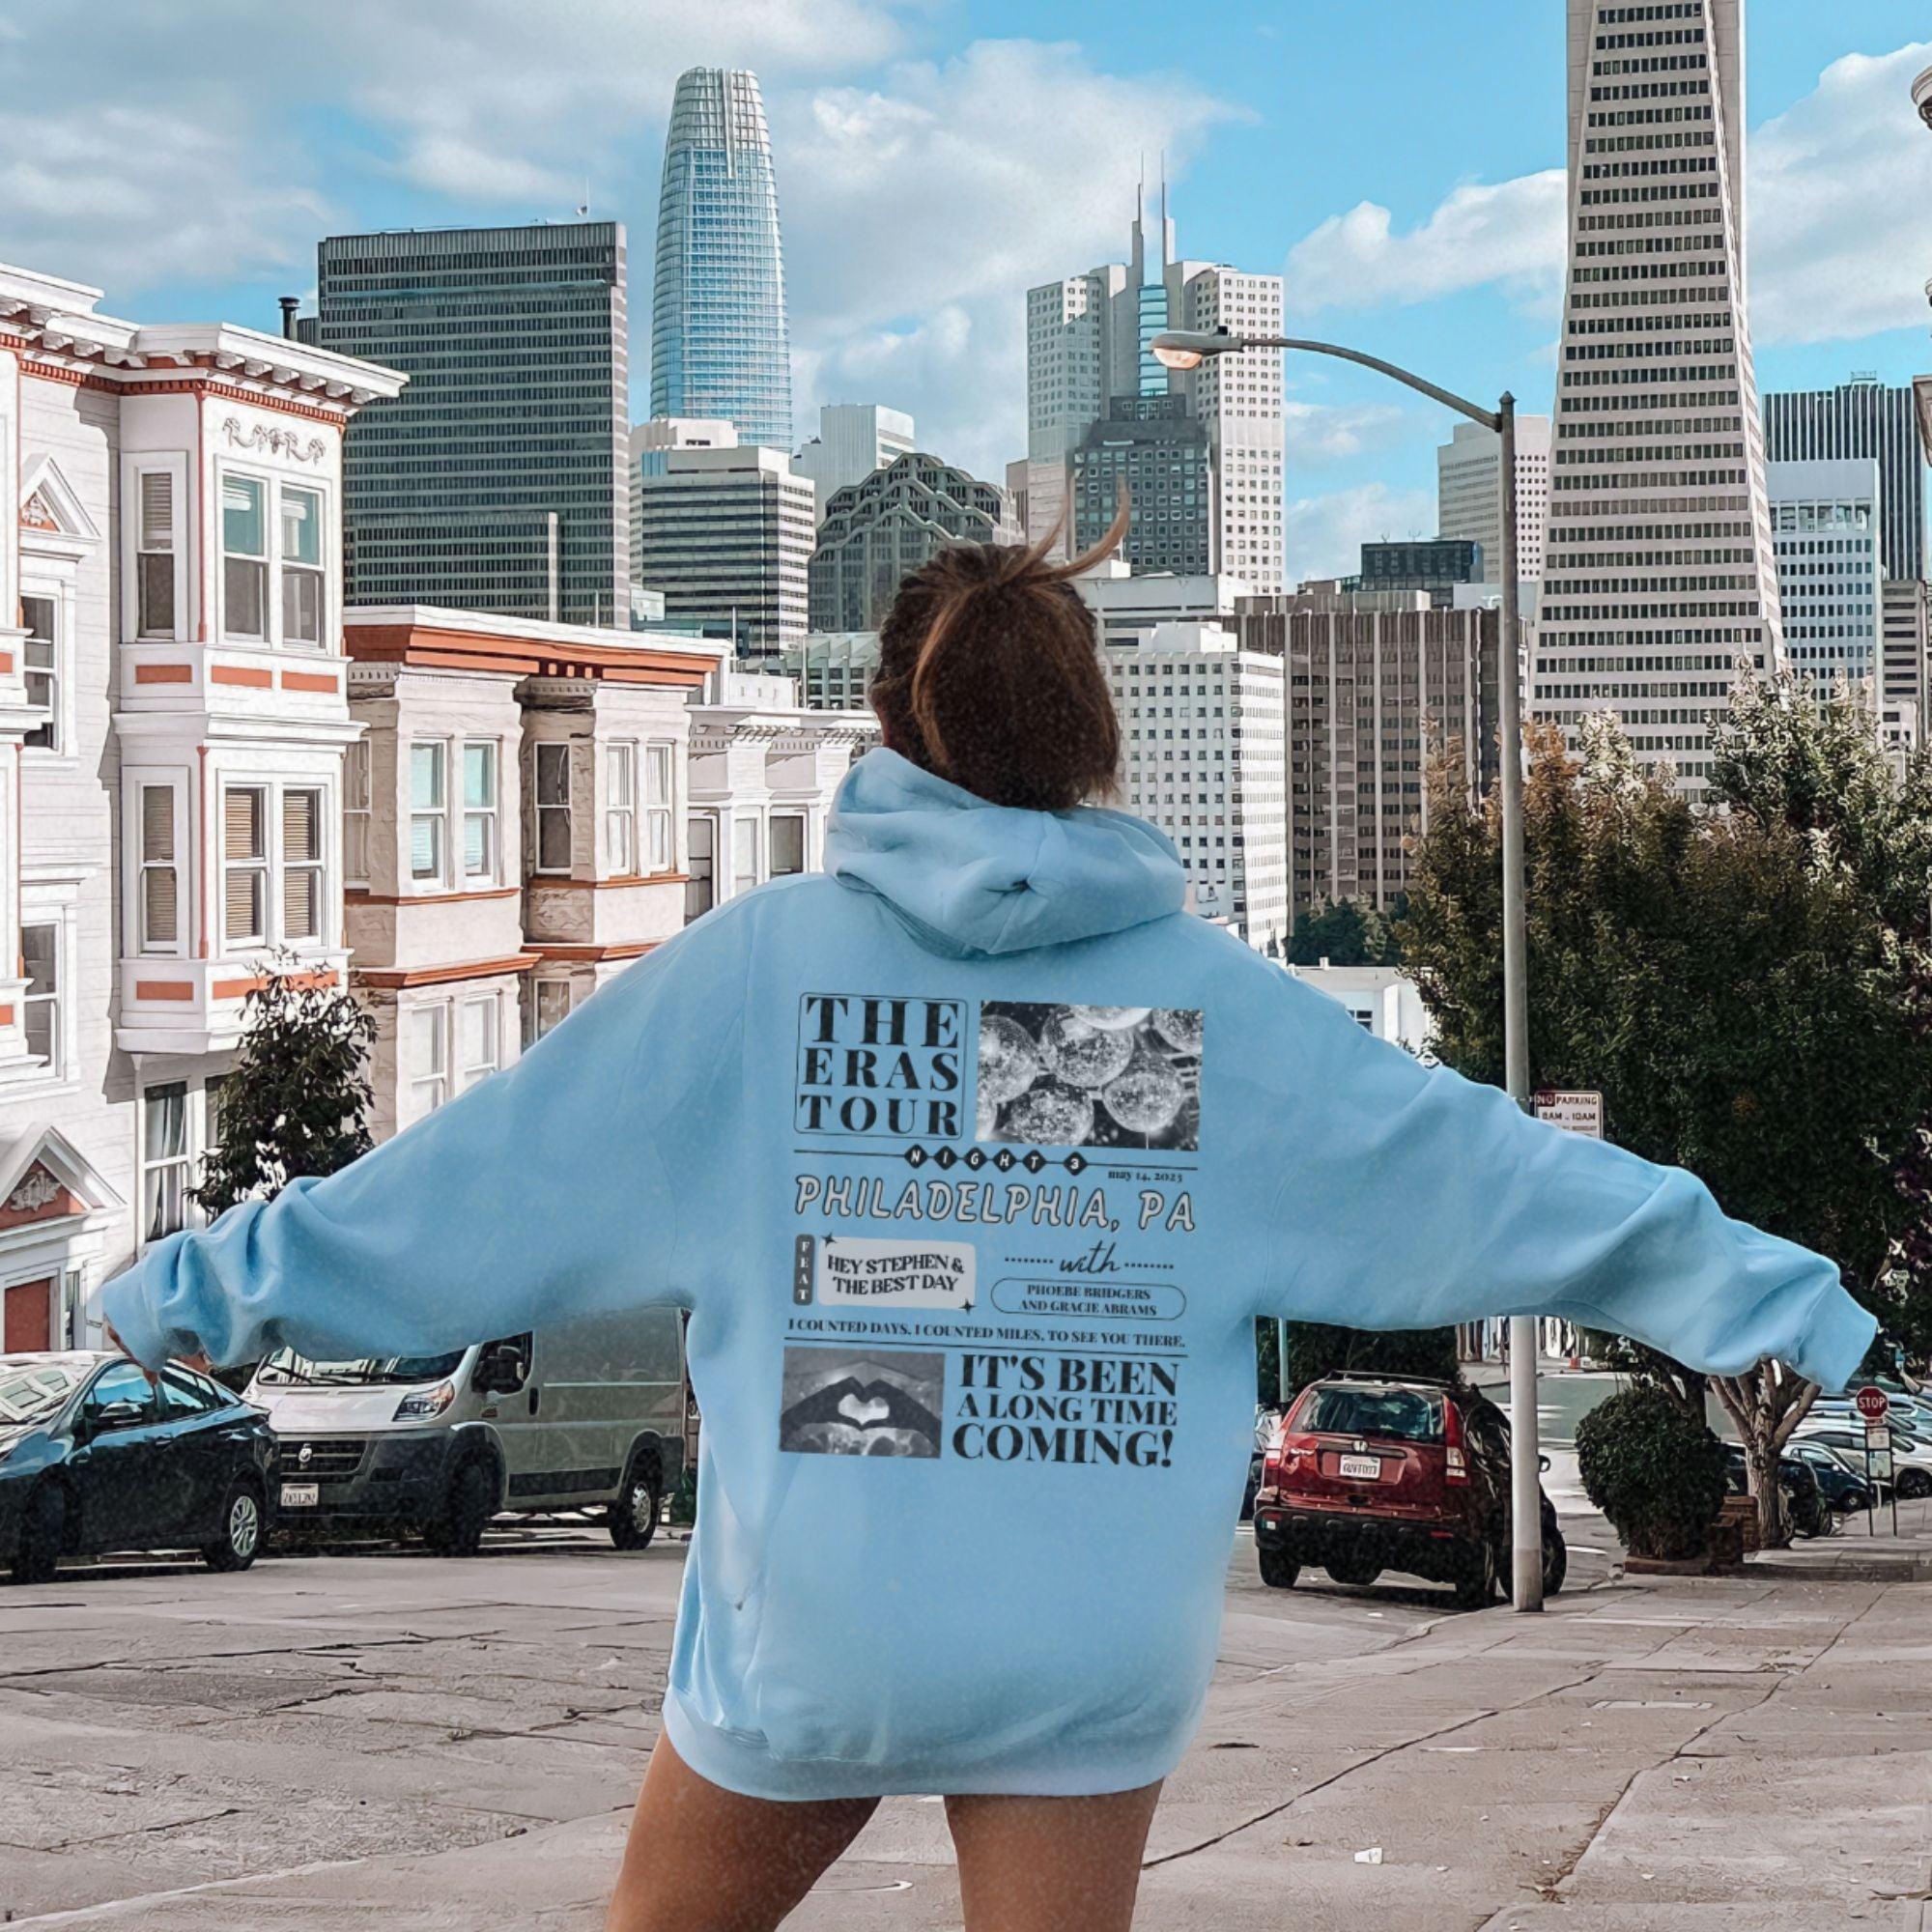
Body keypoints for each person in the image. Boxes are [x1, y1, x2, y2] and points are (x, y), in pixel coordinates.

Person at [102, 511, 1875, 1931]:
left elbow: (463, 1193)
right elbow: (1505, 1182)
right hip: (1082, 1643)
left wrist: (190, 1287)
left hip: (821, 1626)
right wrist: (1784, 1300)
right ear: (1093, 738)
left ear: (889, 728)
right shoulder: (1216, 1013)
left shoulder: (752, 981)